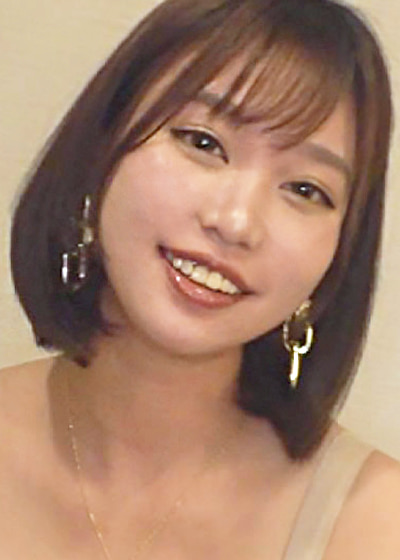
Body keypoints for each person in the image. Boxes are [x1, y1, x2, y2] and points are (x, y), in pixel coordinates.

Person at [2, 0, 400, 557]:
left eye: (305, 189)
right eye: (203, 143)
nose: (236, 222)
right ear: (101, 148)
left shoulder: (376, 524)